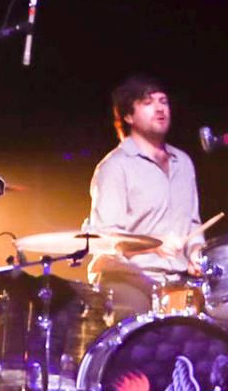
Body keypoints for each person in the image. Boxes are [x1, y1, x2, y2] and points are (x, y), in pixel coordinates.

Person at [86, 75, 203, 321]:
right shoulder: (115, 167)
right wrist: (152, 243)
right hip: (129, 280)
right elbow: (105, 238)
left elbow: (193, 223)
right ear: (128, 116)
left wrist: (195, 252)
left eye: (164, 101)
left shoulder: (184, 163)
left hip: (177, 282)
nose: (160, 108)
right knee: (137, 325)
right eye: (148, 102)